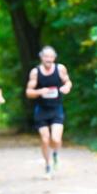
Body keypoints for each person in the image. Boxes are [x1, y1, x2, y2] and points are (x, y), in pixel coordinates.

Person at [25, 46, 72, 178]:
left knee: (55, 139)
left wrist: (66, 88)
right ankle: (47, 165)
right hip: (41, 110)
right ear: (42, 57)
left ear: (54, 58)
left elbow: (68, 82)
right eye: (46, 57)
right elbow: (28, 92)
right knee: (45, 139)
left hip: (56, 109)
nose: (49, 60)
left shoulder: (60, 69)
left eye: (51, 57)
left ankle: (56, 154)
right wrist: (40, 92)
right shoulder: (35, 72)